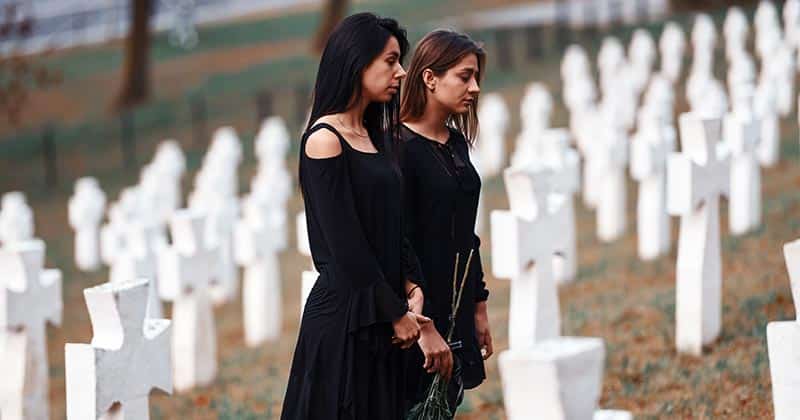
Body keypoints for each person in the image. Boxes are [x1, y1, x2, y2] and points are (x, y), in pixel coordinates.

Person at [281, 13, 429, 419]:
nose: (401, 72)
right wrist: (396, 313)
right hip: (345, 320)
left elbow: (392, 223)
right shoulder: (324, 141)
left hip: (383, 311)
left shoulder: (375, 134)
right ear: (356, 62)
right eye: (390, 60)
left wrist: (412, 282)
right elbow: (347, 246)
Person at [399, 29, 493, 412]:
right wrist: (423, 324)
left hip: (457, 304)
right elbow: (396, 241)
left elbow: (465, 233)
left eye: (476, 78)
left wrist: (479, 304)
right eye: (464, 76)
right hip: (417, 310)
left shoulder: (455, 143)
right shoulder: (398, 148)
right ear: (430, 78)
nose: (474, 88)